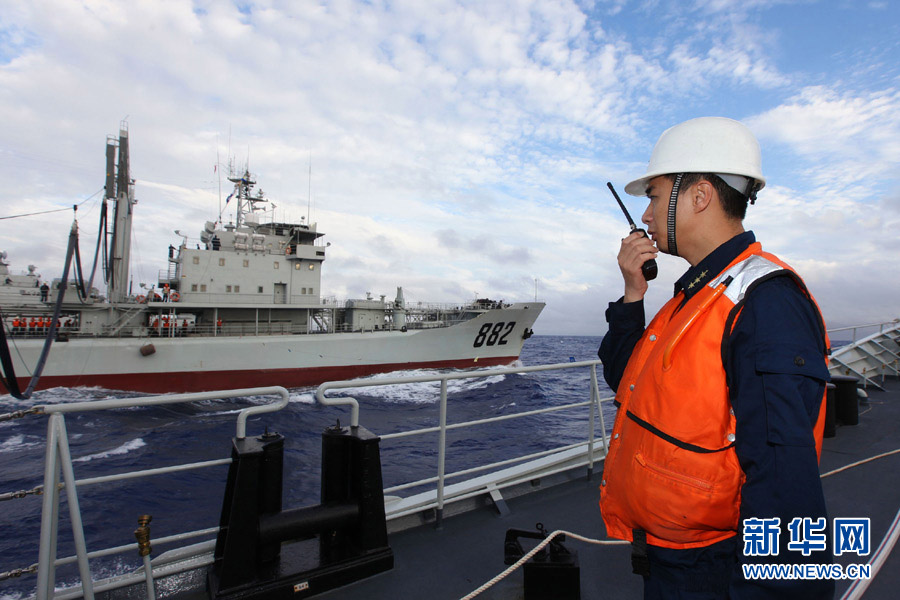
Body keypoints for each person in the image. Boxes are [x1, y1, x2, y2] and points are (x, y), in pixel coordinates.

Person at [597, 117, 833, 599]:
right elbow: (629, 382)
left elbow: (786, 489)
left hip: (713, 570)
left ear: (699, 196)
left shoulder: (765, 303)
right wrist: (632, 294)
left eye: (655, 196)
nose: (645, 214)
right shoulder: (695, 297)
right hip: (669, 559)